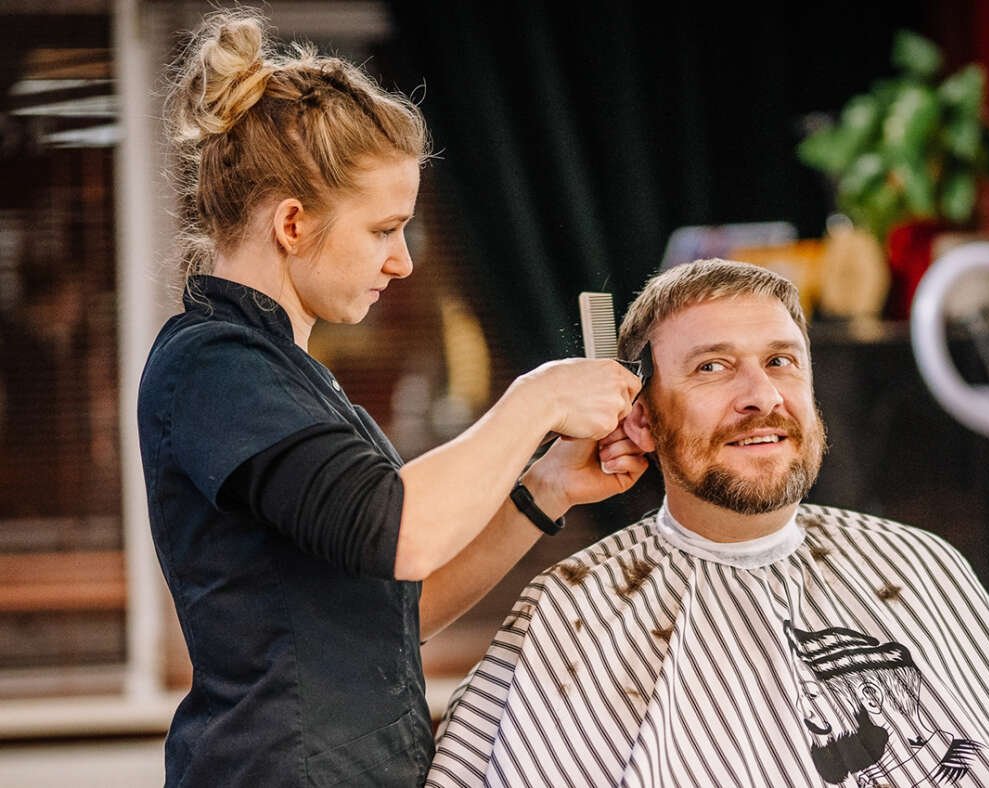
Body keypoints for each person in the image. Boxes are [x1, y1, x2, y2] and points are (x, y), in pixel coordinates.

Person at [137, 11, 647, 786]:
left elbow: (392, 616)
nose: (404, 262)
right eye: (384, 230)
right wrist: (536, 399)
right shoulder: (213, 368)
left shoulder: (287, 373)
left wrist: (545, 489)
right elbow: (399, 531)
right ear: (293, 223)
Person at [428, 259, 989, 787]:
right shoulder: (574, 612)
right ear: (638, 414)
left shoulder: (921, 567)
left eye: (781, 361)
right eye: (713, 367)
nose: (760, 396)